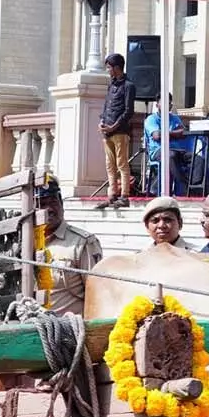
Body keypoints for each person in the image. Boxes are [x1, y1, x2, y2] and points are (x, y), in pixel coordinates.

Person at [31, 177, 102, 315]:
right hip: (28, 328)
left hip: (68, 331)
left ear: (62, 204)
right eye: (43, 204)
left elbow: (97, 296)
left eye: (54, 202)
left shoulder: (82, 243)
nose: (50, 209)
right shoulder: (23, 243)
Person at [94, 53, 136, 210]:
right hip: (107, 131)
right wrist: (102, 121)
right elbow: (106, 106)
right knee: (109, 165)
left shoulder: (128, 86)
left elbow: (128, 111)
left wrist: (114, 126)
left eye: (109, 67)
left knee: (121, 163)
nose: (108, 70)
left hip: (120, 131)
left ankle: (124, 196)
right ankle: (112, 195)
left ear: (117, 68)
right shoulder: (111, 85)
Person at [143, 96, 193, 195]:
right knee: (170, 156)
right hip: (158, 150)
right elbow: (156, 136)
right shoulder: (151, 119)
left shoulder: (175, 118)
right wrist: (174, 133)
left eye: (170, 103)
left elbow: (183, 133)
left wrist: (166, 133)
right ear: (157, 105)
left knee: (197, 158)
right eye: (165, 102)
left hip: (177, 150)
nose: (168, 105)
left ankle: (196, 187)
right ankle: (184, 188)